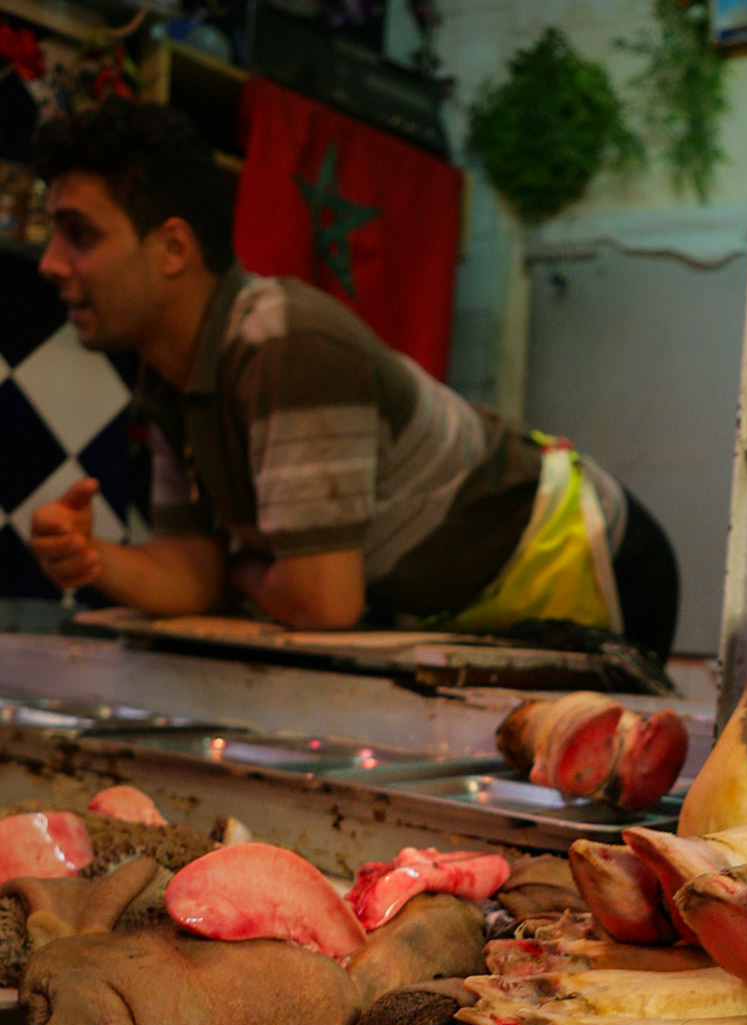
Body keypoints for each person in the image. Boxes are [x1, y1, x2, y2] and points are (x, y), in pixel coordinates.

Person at [28, 96, 679, 662]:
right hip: (481, 598)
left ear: (173, 248)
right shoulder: (172, 376)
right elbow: (193, 578)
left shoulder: (286, 343)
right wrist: (94, 556)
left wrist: (243, 570)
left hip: (594, 561)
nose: (51, 265)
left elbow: (323, 603)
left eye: (79, 235)